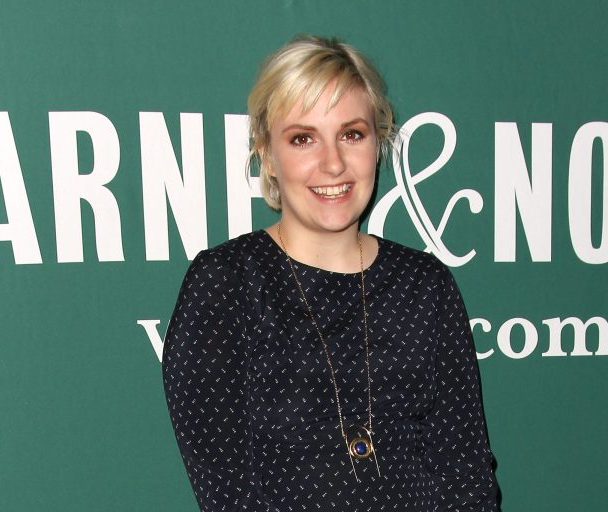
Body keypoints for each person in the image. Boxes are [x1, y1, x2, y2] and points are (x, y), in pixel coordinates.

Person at [162, 35, 499, 512]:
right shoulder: (226, 286)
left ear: (377, 141)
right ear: (267, 151)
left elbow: (468, 480)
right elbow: (230, 495)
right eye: (303, 138)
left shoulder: (426, 286)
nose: (333, 163)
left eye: (351, 134)